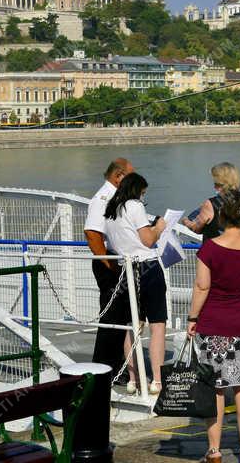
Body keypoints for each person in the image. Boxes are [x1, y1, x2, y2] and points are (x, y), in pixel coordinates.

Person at [187, 192, 240, 463]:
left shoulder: (209, 248)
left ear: (222, 216)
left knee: (215, 387)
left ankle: (214, 450)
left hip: (213, 324)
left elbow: (202, 286)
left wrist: (192, 318)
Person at [103, 172, 168, 395]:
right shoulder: (134, 206)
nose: (143, 199)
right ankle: (157, 380)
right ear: (137, 190)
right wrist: (159, 226)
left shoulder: (111, 210)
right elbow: (148, 240)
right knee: (157, 324)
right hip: (147, 267)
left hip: (126, 269)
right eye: (143, 194)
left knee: (133, 324)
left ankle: (133, 379)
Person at [84, 158, 135, 378]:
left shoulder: (117, 197)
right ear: (118, 176)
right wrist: (109, 264)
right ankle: (103, 367)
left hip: (119, 261)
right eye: (130, 176)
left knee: (121, 315)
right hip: (109, 262)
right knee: (111, 317)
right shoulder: (103, 198)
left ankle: (116, 366)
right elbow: (93, 234)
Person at [182, 162, 240, 241]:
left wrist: (185, 221)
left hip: (218, 250)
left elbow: (196, 228)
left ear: (222, 183)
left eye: (216, 183)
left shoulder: (212, 204)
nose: (214, 186)